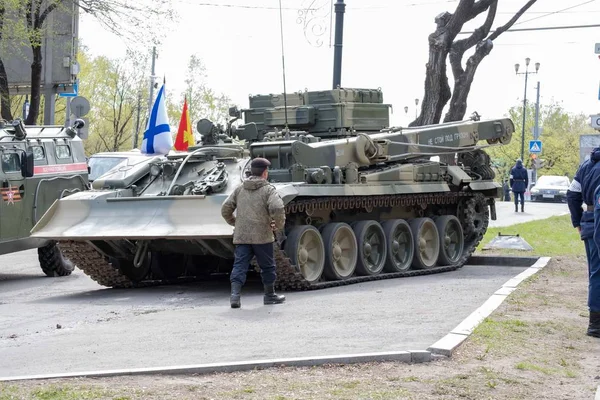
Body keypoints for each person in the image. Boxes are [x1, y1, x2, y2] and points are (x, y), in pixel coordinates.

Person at [220, 157, 286, 309]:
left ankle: (235, 297)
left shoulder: (239, 189)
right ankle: (269, 295)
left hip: (242, 236)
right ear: (264, 173)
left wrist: (234, 222)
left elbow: (225, 208)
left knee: (239, 265)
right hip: (262, 236)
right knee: (267, 266)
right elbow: (277, 208)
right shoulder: (268, 189)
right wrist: (278, 225)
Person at [567, 147, 600, 338]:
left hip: (589, 222)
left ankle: (595, 323)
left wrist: (578, 221)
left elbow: (572, 195)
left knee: (595, 272)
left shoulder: (586, 165)